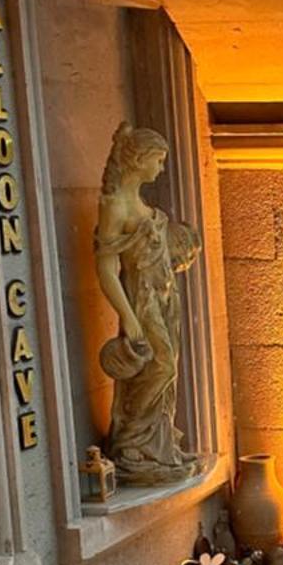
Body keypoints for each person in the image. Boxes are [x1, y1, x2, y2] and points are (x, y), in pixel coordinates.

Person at [94, 121, 200, 485]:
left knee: (169, 372)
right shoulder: (115, 206)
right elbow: (106, 269)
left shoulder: (138, 202)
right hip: (141, 300)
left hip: (165, 298)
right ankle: (130, 442)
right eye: (157, 160)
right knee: (162, 366)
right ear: (139, 159)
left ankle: (160, 443)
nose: (161, 168)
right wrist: (127, 316)